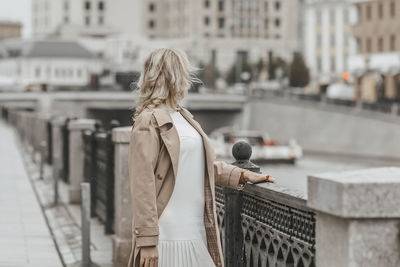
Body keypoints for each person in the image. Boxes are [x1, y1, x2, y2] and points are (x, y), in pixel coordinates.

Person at [127, 48, 275, 267]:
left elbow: (200, 166)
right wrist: (148, 241)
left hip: (196, 228)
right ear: (172, 75)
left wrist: (241, 175)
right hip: (168, 234)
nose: (188, 78)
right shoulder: (148, 121)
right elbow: (142, 183)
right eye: (183, 71)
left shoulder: (184, 117)